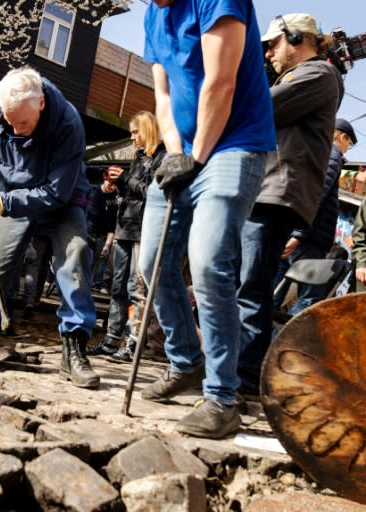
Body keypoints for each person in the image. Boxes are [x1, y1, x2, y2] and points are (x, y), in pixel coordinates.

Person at [138, 0, 275, 439]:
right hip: (185, 150)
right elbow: (162, 97)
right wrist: (177, 154)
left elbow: (221, 82)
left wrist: (195, 160)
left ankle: (222, 396)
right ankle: (187, 362)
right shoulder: (152, 16)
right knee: (151, 263)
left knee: (209, 261)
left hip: (234, 146)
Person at [0, 66, 99, 389]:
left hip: (60, 199)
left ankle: (74, 349)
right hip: (8, 196)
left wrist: (0, 203)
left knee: (75, 255)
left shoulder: (68, 124)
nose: (15, 130)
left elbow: (55, 193)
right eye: (9, 121)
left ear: (41, 103)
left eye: (24, 123)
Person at [236, 13, 343, 398]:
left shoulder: (318, 75)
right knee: (247, 284)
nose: (268, 53)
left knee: (251, 287)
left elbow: (260, 106)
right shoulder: (307, 76)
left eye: (274, 43)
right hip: (267, 191)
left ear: (297, 38)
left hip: (276, 194)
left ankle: (245, 377)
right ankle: (239, 371)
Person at [92, 111, 164, 362]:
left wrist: (126, 180)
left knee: (137, 289)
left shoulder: (161, 157)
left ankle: (133, 343)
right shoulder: (138, 158)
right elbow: (134, 193)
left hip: (143, 229)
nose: (132, 137)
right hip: (124, 226)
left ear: (147, 130)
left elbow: (154, 193)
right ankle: (112, 339)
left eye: (136, 132)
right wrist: (121, 185)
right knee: (117, 286)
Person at [273, 118, 354, 313]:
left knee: (273, 294)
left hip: (290, 234)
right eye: (348, 144)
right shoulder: (332, 156)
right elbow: (316, 195)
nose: (346, 149)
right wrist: (299, 234)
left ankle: (256, 342)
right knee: (310, 300)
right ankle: (284, 342)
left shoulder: (312, 151)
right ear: (342, 137)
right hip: (308, 240)